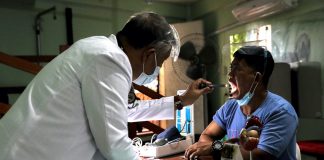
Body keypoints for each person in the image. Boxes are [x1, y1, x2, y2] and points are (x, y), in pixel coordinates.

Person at [0, 12, 213, 160]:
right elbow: (115, 146)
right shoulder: (110, 59)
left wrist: (181, 100)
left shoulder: (99, 50)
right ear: (150, 54)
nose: (159, 68)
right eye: (162, 61)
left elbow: (125, 110)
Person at [184, 46, 298, 160]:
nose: (229, 75)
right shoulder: (230, 106)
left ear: (257, 78)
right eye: (231, 68)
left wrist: (216, 148)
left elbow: (259, 156)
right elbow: (207, 135)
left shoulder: (281, 112)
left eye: (237, 69)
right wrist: (216, 149)